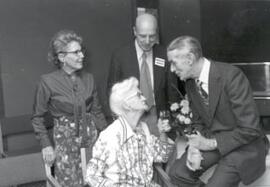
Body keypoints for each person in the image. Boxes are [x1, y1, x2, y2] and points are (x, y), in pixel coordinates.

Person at [167, 35, 269, 187]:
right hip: (213, 142)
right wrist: (194, 148)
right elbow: (198, 121)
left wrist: (210, 143)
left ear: (189, 58)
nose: (172, 69)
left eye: (174, 63)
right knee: (177, 173)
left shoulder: (232, 76)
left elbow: (250, 129)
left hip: (243, 146)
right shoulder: (190, 83)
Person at [31, 30, 107, 186]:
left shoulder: (89, 78)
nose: (82, 55)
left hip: (91, 136)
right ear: (62, 57)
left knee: (95, 179)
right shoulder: (47, 82)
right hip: (65, 141)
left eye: (82, 51)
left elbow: (96, 111)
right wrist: (46, 145)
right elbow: (37, 118)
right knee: (69, 181)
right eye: (76, 52)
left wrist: (107, 138)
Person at [85, 77, 174, 187]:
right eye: (139, 95)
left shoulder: (143, 129)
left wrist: (162, 132)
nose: (144, 98)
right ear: (127, 105)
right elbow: (92, 176)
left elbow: (163, 156)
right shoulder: (111, 135)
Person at [107, 13, 180, 136]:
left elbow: (172, 90)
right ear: (135, 31)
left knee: (162, 152)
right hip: (132, 116)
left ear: (157, 32)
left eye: (152, 36)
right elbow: (112, 91)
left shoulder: (164, 53)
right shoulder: (120, 56)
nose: (147, 41)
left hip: (158, 116)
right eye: (142, 36)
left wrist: (174, 119)